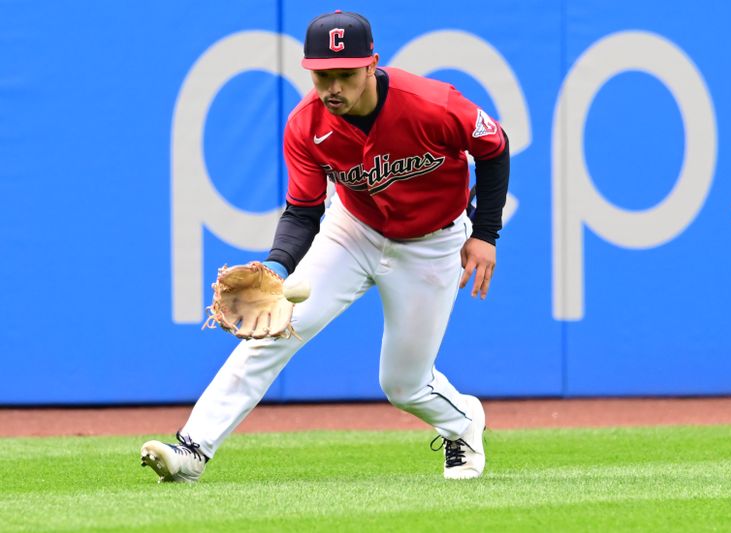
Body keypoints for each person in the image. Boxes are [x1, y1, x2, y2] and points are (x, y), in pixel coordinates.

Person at [141, 10, 510, 482]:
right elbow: (301, 211)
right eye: (322, 75)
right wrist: (276, 268)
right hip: (352, 230)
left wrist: (485, 234)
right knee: (274, 328)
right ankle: (192, 450)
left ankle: (462, 424)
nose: (333, 87)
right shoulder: (305, 126)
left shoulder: (431, 104)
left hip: (433, 243)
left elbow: (494, 147)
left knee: (403, 384)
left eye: (345, 74)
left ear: (372, 64)